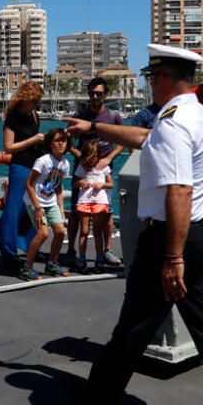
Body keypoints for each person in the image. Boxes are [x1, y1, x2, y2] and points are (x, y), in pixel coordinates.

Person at [64, 43, 203, 405]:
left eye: (151, 77)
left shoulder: (173, 123)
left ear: (163, 78)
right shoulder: (196, 114)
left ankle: (98, 403)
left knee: (133, 326)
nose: (149, 84)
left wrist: (172, 258)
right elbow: (145, 137)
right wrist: (93, 129)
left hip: (173, 238)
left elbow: (179, 190)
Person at [62, 78, 125, 268]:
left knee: (106, 212)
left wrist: (108, 159)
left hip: (104, 172)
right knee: (75, 211)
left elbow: (122, 141)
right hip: (82, 172)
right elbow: (67, 140)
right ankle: (72, 251)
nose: (95, 97)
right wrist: (79, 155)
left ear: (105, 95)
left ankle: (107, 250)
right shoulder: (80, 115)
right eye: (92, 93)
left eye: (99, 93)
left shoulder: (114, 117)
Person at [0, 81, 45, 265]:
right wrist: (33, 140)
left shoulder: (34, 115)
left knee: (30, 209)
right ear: (26, 98)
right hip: (20, 167)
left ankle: (29, 245)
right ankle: (7, 250)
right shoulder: (13, 117)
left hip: (35, 166)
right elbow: (8, 147)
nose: (37, 104)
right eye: (35, 100)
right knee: (14, 209)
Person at [19, 129, 71, 281]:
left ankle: (52, 264)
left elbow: (58, 186)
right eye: (57, 140)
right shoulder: (43, 161)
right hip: (35, 202)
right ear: (50, 144)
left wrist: (61, 209)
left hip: (51, 201)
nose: (61, 143)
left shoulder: (65, 163)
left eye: (64, 140)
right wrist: (37, 207)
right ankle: (27, 268)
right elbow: (28, 184)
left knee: (61, 231)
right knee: (43, 233)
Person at [72, 140, 114, 273]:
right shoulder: (81, 167)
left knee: (97, 231)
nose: (92, 160)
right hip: (84, 201)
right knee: (84, 231)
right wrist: (81, 183)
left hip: (99, 202)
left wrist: (102, 185)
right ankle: (82, 259)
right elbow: (74, 183)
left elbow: (111, 184)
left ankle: (99, 259)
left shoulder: (104, 167)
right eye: (89, 157)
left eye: (94, 156)